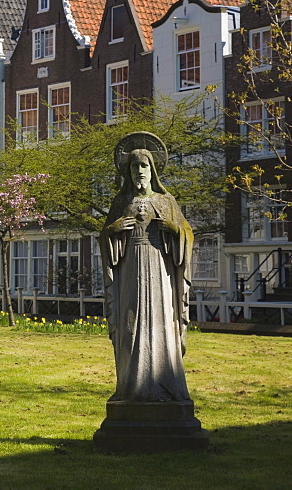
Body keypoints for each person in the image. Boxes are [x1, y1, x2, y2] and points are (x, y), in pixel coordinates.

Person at [99, 132, 194, 403]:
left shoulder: (167, 201)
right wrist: (112, 230)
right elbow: (105, 237)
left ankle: (165, 381)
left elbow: (188, 234)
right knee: (130, 325)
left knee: (162, 323)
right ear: (127, 171)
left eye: (143, 165)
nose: (139, 170)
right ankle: (132, 385)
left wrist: (175, 229)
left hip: (160, 272)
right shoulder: (121, 202)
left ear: (152, 169)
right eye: (134, 166)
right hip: (130, 269)